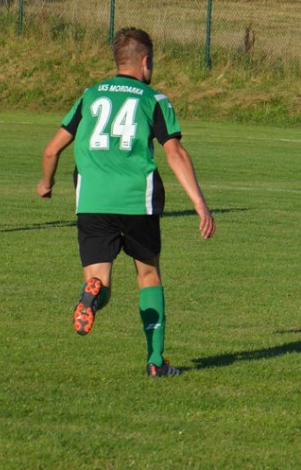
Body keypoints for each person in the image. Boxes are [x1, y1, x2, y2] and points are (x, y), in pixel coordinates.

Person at [38, 27, 215, 377]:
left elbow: (51, 150)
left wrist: (47, 183)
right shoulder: (154, 99)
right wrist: (199, 202)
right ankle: (155, 361)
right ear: (145, 62)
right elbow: (175, 152)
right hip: (137, 201)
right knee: (148, 274)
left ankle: (92, 296)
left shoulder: (90, 95)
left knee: (100, 282)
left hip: (92, 202)